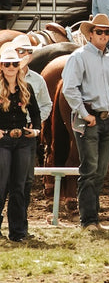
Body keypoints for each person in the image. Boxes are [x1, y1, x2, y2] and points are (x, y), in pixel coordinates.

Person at [61, 15, 109, 231]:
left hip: (105, 118)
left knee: (100, 169)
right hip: (89, 119)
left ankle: (93, 218)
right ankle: (88, 220)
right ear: (89, 34)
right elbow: (69, 88)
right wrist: (85, 114)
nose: (103, 35)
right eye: (99, 32)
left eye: (107, 32)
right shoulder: (79, 56)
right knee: (90, 168)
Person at [3, 36, 51, 221]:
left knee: (25, 182)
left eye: (28, 51)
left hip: (26, 136)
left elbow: (44, 106)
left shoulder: (35, 81)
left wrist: (35, 127)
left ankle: (20, 225)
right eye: (21, 51)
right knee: (3, 182)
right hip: (5, 135)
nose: (25, 54)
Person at [0, 48, 40, 242]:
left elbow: (36, 113)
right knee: (1, 184)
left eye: (15, 64)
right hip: (3, 141)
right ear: (1, 66)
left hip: (23, 140)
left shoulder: (27, 88)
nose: (11, 68)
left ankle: (17, 232)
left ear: (19, 66)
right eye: (7, 64)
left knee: (19, 186)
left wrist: (36, 130)